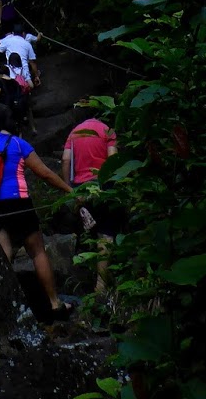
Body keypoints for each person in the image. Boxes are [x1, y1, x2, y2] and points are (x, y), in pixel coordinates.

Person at [0, 112, 75, 319]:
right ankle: (54, 303)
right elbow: (44, 173)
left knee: (3, 253)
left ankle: (1, 308)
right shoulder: (19, 144)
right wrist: (69, 190)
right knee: (37, 252)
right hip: (19, 202)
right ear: (17, 127)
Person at [63, 112, 122, 292]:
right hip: (102, 184)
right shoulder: (107, 130)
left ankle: (88, 277)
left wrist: (69, 190)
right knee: (106, 232)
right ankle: (101, 284)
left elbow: (66, 160)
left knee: (89, 229)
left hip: (81, 187)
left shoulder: (74, 133)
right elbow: (112, 159)